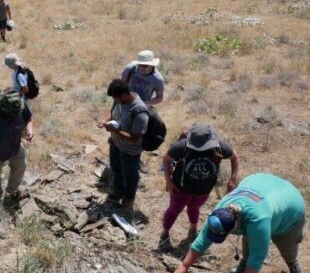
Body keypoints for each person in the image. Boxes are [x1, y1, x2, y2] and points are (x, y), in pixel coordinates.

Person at [176, 173, 306, 273]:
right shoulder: (221, 208)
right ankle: (243, 264)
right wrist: (184, 266)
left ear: (235, 226)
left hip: (291, 207)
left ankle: (293, 266)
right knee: (251, 237)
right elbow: (203, 239)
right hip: (260, 183)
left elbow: (257, 257)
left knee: (286, 247)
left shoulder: (258, 220)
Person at [160, 124, 240, 249]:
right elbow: (166, 159)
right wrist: (169, 182)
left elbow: (234, 158)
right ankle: (165, 232)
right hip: (181, 188)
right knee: (174, 210)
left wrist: (233, 180)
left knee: (194, 207)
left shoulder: (218, 146)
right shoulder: (182, 146)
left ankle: (193, 228)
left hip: (204, 189)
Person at [96, 79, 149, 213]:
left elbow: (136, 139)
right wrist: (105, 120)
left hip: (130, 152)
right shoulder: (120, 100)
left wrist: (114, 131)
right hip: (115, 145)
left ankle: (128, 199)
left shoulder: (139, 112)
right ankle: (116, 193)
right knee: (117, 171)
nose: (115, 100)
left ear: (124, 95)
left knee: (130, 177)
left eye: (116, 98)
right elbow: (113, 111)